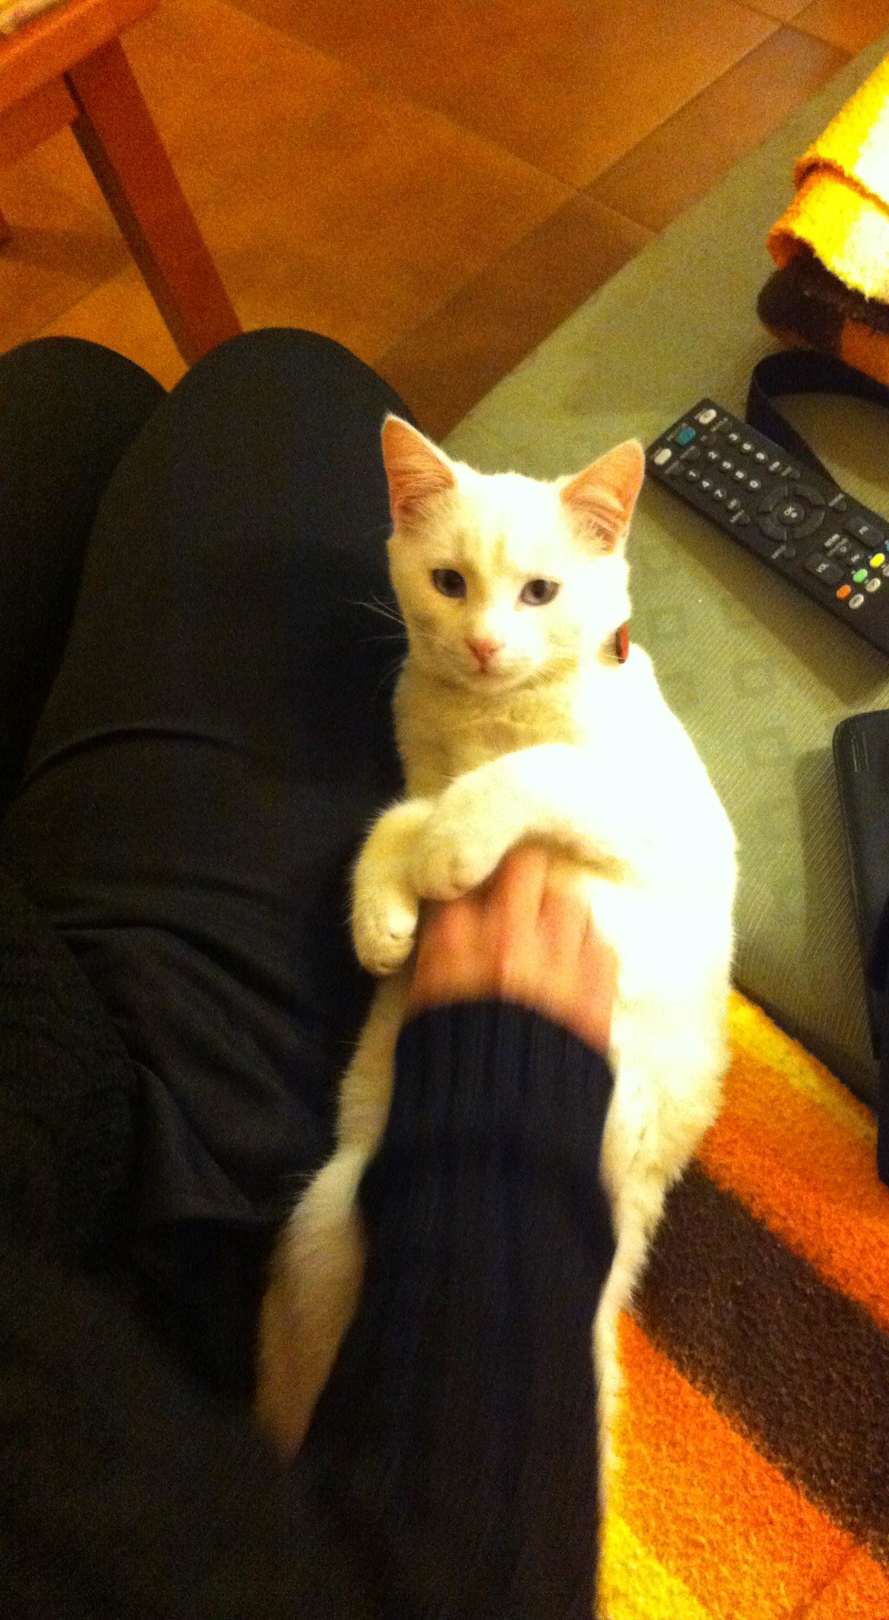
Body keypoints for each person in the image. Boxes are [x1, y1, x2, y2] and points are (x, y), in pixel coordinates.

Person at [0, 330, 618, 1618]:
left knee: (68, 394)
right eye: (449, 583)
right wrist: (500, 1139)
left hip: (41, 1075)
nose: (486, 634)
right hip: (133, 1233)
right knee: (281, 386)